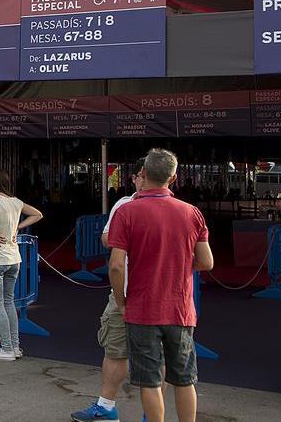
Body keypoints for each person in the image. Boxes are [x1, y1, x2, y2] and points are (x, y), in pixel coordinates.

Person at [107, 149, 214, 422]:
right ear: (174, 177)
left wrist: (121, 300)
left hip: (142, 309)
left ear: (143, 174)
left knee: (150, 380)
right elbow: (206, 262)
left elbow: (116, 265)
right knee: (184, 377)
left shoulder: (127, 212)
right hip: (180, 308)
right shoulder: (192, 213)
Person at [72, 158, 146, 421]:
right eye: (140, 175)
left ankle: (152, 413)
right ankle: (105, 406)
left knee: (154, 357)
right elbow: (107, 238)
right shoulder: (124, 204)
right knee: (115, 349)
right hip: (123, 293)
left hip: (150, 295)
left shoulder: (177, 209)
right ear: (135, 177)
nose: (143, 180)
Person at [0, 168, 43, 361]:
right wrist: (18, 227)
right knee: (9, 302)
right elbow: (38, 214)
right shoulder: (16, 202)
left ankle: (6, 348)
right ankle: (14, 346)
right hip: (13, 258)